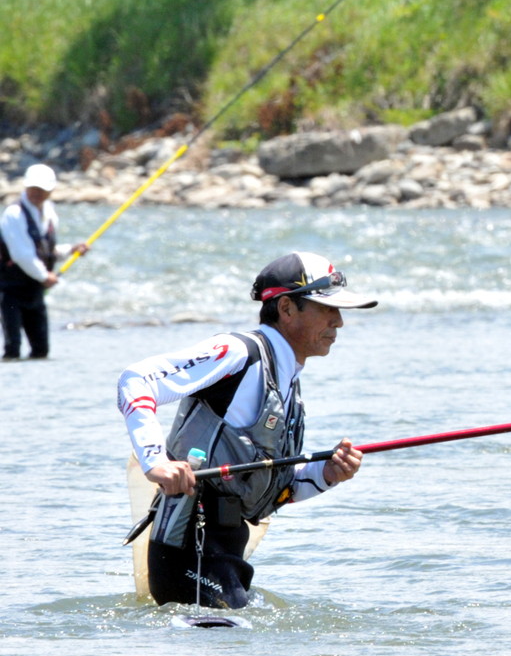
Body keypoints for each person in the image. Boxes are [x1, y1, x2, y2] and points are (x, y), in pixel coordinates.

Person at [116, 252, 374, 608]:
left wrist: (327, 474)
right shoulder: (237, 352)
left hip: (224, 554)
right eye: (327, 308)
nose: (339, 322)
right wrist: (155, 462)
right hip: (187, 550)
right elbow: (136, 380)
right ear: (286, 308)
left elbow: (271, 489)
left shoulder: (286, 376)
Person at [2, 164, 88, 361]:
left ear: (51, 190)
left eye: (42, 189)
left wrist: (71, 250)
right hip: (10, 291)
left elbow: (46, 251)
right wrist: (44, 276)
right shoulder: (14, 214)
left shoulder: (49, 212)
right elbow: (21, 254)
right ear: (26, 186)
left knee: (41, 351)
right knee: (12, 350)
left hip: (35, 291)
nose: (37, 193)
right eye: (33, 188)